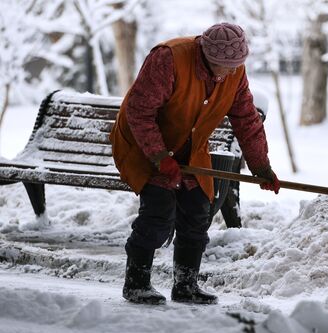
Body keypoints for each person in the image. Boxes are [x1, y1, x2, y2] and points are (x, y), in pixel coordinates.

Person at [109, 23, 280, 305]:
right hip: (145, 144)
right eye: (220, 65)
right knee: (158, 214)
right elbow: (139, 112)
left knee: (197, 213)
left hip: (190, 148)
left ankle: (186, 285)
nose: (227, 72)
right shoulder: (169, 58)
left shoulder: (234, 71)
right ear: (204, 53)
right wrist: (160, 156)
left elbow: (247, 120)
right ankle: (136, 284)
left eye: (234, 66)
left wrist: (261, 167)